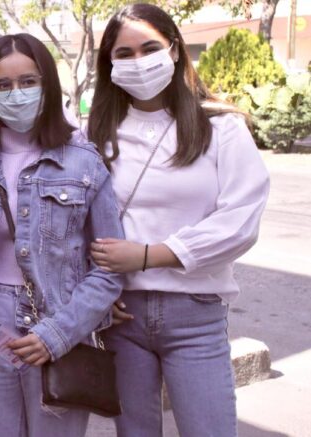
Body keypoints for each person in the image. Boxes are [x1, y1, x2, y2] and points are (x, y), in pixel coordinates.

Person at [86, 4, 270, 436]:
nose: (138, 61)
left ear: (173, 50)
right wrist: (94, 292)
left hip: (196, 315)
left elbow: (240, 222)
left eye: (149, 48)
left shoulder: (221, 128)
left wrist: (149, 255)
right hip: (122, 316)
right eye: (124, 53)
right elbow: (77, 224)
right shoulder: (94, 134)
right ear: (110, 64)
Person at [0, 33, 124, 437]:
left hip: (59, 322)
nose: (16, 94)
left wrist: (58, 333)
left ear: (47, 85)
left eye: (28, 82)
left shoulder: (85, 163)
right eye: (3, 85)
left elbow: (109, 270)